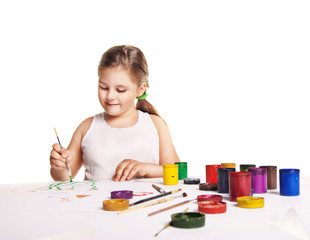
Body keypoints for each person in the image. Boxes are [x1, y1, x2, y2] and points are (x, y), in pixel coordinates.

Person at [50, 45, 180, 181]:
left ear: (140, 89)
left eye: (120, 90)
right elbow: (64, 178)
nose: (110, 96)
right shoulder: (87, 127)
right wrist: (59, 167)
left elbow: (177, 173)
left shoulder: (155, 125)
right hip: (94, 203)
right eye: (104, 87)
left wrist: (146, 169)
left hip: (143, 202)